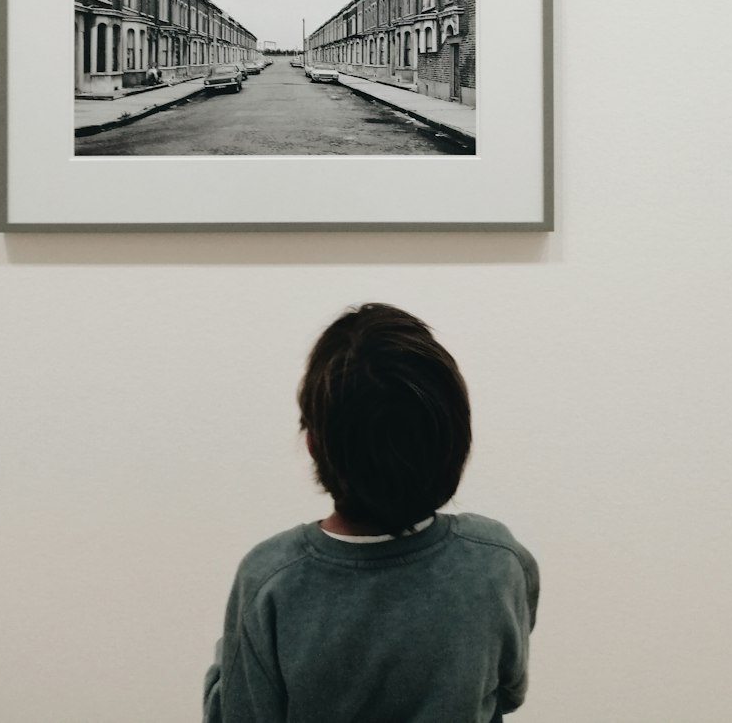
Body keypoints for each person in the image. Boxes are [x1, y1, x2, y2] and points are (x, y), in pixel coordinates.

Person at [202, 303, 539, 723]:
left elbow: (238, 714)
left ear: (312, 442)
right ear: (456, 439)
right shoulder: (497, 560)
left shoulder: (271, 578)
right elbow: (508, 690)